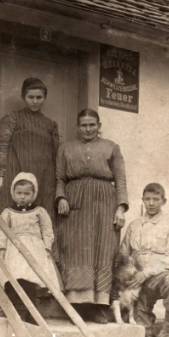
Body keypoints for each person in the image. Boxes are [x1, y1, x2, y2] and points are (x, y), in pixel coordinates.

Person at [56, 108, 128, 322]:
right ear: (77, 127)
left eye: (92, 125)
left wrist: (120, 207)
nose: (88, 129)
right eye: (84, 125)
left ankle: (99, 307)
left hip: (105, 203)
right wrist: (61, 198)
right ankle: (77, 305)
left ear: (99, 126)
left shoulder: (111, 148)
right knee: (75, 250)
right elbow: (59, 178)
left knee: (103, 250)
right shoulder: (66, 148)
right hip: (75, 203)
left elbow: (121, 179)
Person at [0, 77, 60, 257]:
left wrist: (56, 185)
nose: (35, 101)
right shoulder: (12, 119)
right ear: (23, 96)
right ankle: (9, 264)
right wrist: (0, 176)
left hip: (44, 179)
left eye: (39, 97)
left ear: (44, 98)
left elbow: (56, 155)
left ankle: (43, 266)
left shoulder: (50, 125)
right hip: (16, 174)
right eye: (31, 97)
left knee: (42, 222)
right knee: (12, 218)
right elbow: (2, 147)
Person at [119, 183, 169, 337]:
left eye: (156, 199)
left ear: (164, 201)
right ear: (143, 200)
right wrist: (130, 273)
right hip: (138, 283)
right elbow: (123, 254)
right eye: (147, 199)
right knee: (141, 333)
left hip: (158, 278)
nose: (151, 203)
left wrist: (146, 273)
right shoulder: (134, 226)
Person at [0, 173, 59, 320]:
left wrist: (47, 247)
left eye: (26, 194)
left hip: (34, 250)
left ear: (34, 194)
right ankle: (16, 312)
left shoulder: (39, 212)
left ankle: (32, 313)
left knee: (30, 280)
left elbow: (47, 231)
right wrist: (2, 248)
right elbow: (2, 231)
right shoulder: (8, 212)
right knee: (14, 278)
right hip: (14, 251)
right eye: (19, 193)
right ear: (13, 193)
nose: (22, 197)